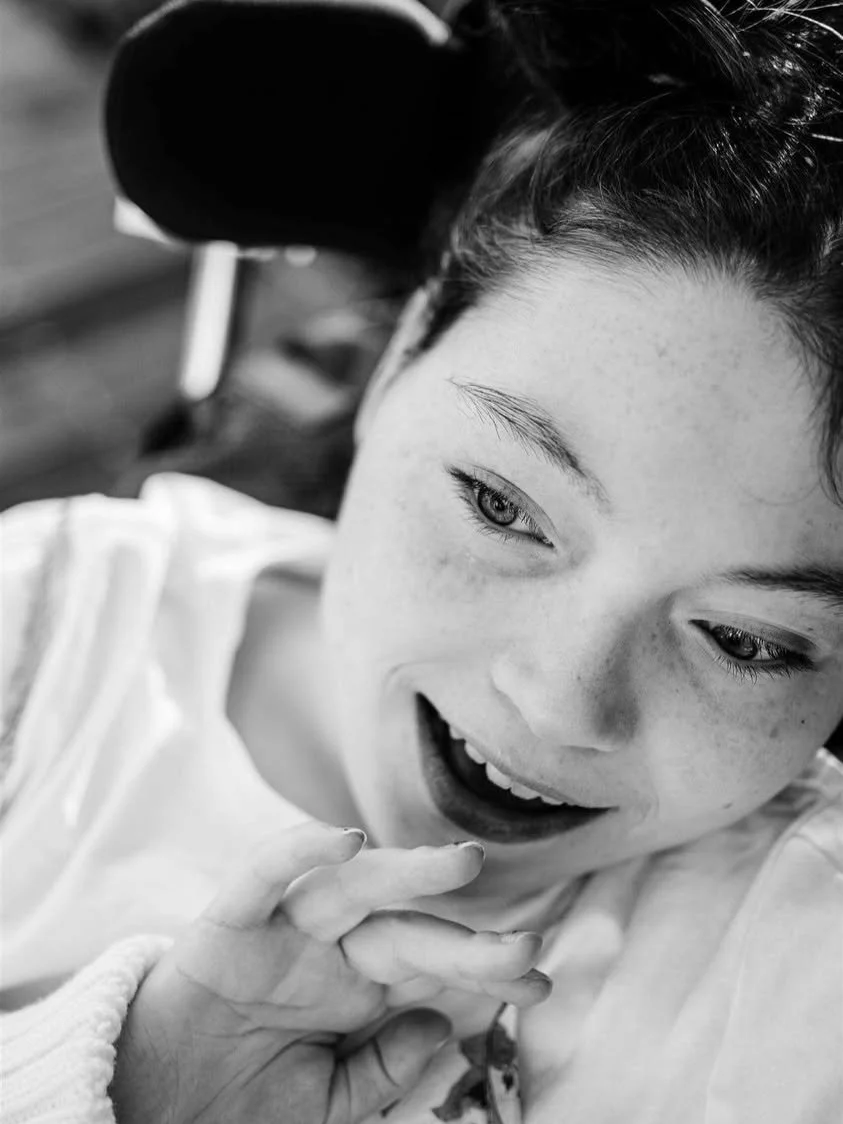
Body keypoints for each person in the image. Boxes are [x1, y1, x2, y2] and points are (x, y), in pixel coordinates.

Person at [3, 0, 843, 1121]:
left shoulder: (796, 952)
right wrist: (128, 1082)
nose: (558, 703)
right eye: (500, 505)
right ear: (398, 353)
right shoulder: (42, 638)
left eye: (747, 640)